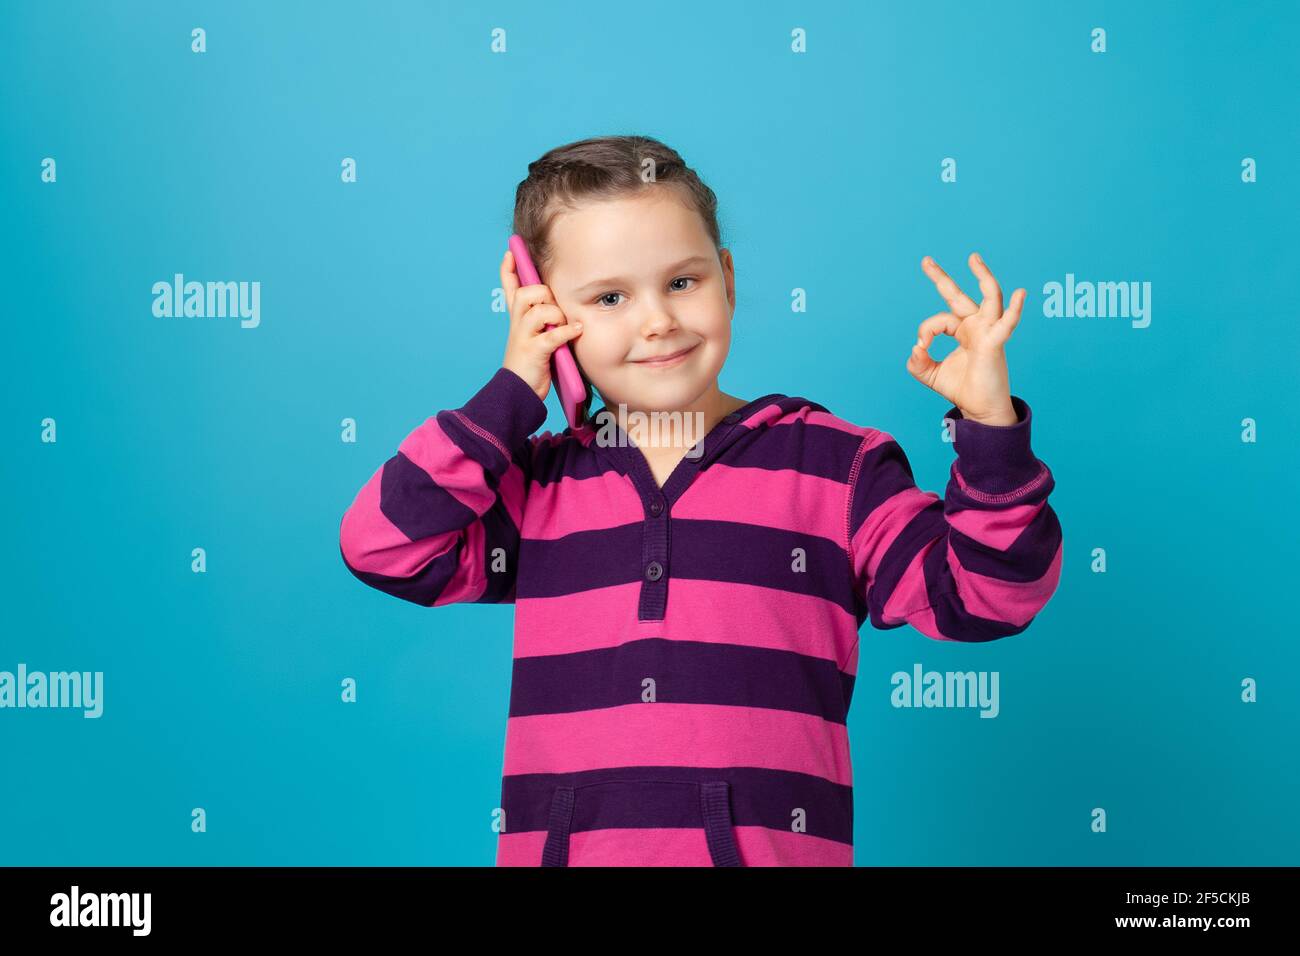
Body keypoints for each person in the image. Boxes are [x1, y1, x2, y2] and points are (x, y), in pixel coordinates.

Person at [338, 134, 1062, 866]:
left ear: (728, 279)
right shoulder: (534, 487)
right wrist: (510, 396)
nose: (658, 320)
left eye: (683, 282)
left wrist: (990, 428)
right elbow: (382, 545)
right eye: (610, 297)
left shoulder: (838, 471)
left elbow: (988, 597)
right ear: (544, 316)